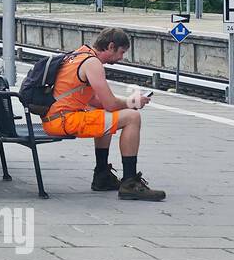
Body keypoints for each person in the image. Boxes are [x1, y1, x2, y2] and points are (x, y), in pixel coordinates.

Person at [41, 28, 165, 201]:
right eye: (121, 52)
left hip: (55, 118)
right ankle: (130, 183)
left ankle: (102, 175)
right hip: (63, 121)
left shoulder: (80, 55)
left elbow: (97, 102)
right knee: (132, 117)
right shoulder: (93, 63)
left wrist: (131, 101)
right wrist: (133, 103)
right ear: (111, 46)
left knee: (104, 113)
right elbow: (110, 103)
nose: (122, 57)